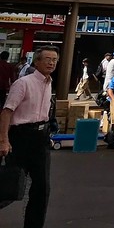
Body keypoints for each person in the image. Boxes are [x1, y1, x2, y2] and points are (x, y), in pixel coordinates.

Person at [0, 46, 59, 228]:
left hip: (40, 139)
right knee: (9, 186)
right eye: (47, 59)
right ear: (37, 61)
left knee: (42, 188)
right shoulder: (23, 83)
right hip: (19, 137)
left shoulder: (49, 83)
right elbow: (7, 112)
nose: (51, 63)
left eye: (54, 60)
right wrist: (4, 140)